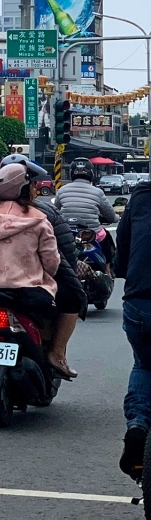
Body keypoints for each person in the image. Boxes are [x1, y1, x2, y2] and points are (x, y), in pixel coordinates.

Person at [0, 153, 83, 377]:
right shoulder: (39, 217)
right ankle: (56, 354)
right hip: (26, 290)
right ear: (25, 188)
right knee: (73, 299)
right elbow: (51, 261)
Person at [112, 174, 151, 477]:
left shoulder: (140, 196)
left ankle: (137, 424)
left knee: (144, 365)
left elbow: (121, 254)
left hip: (139, 303)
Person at [54, 157, 118, 265]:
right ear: (91, 173)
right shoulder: (98, 192)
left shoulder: (62, 190)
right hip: (91, 234)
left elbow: (55, 212)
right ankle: (108, 268)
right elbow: (111, 217)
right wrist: (117, 217)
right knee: (106, 236)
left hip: (67, 234)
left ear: (71, 173)